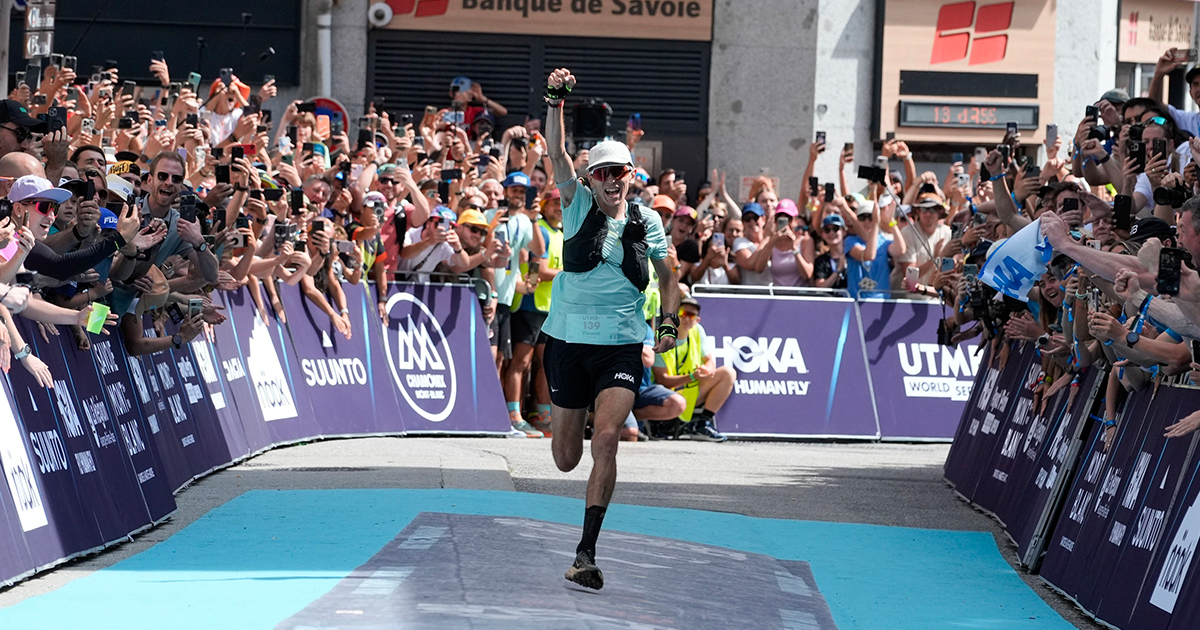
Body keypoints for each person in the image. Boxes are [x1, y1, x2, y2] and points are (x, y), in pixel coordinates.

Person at [541, 67, 678, 591]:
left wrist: (665, 323)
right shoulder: (574, 203)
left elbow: (669, 276)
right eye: (603, 173)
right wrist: (554, 101)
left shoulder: (646, 221)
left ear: (631, 175)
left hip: (621, 344)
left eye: (621, 172)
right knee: (565, 457)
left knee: (607, 441)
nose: (613, 180)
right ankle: (562, 437)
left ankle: (585, 553)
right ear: (590, 178)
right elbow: (556, 156)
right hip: (568, 343)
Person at [651, 297, 734, 441]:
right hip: (666, 394)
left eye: (691, 315)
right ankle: (664, 423)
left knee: (728, 373)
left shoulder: (697, 331)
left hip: (690, 390)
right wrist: (693, 376)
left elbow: (710, 361)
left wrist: (706, 370)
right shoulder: (661, 337)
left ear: (697, 320)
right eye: (683, 313)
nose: (687, 319)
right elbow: (662, 379)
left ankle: (702, 424)